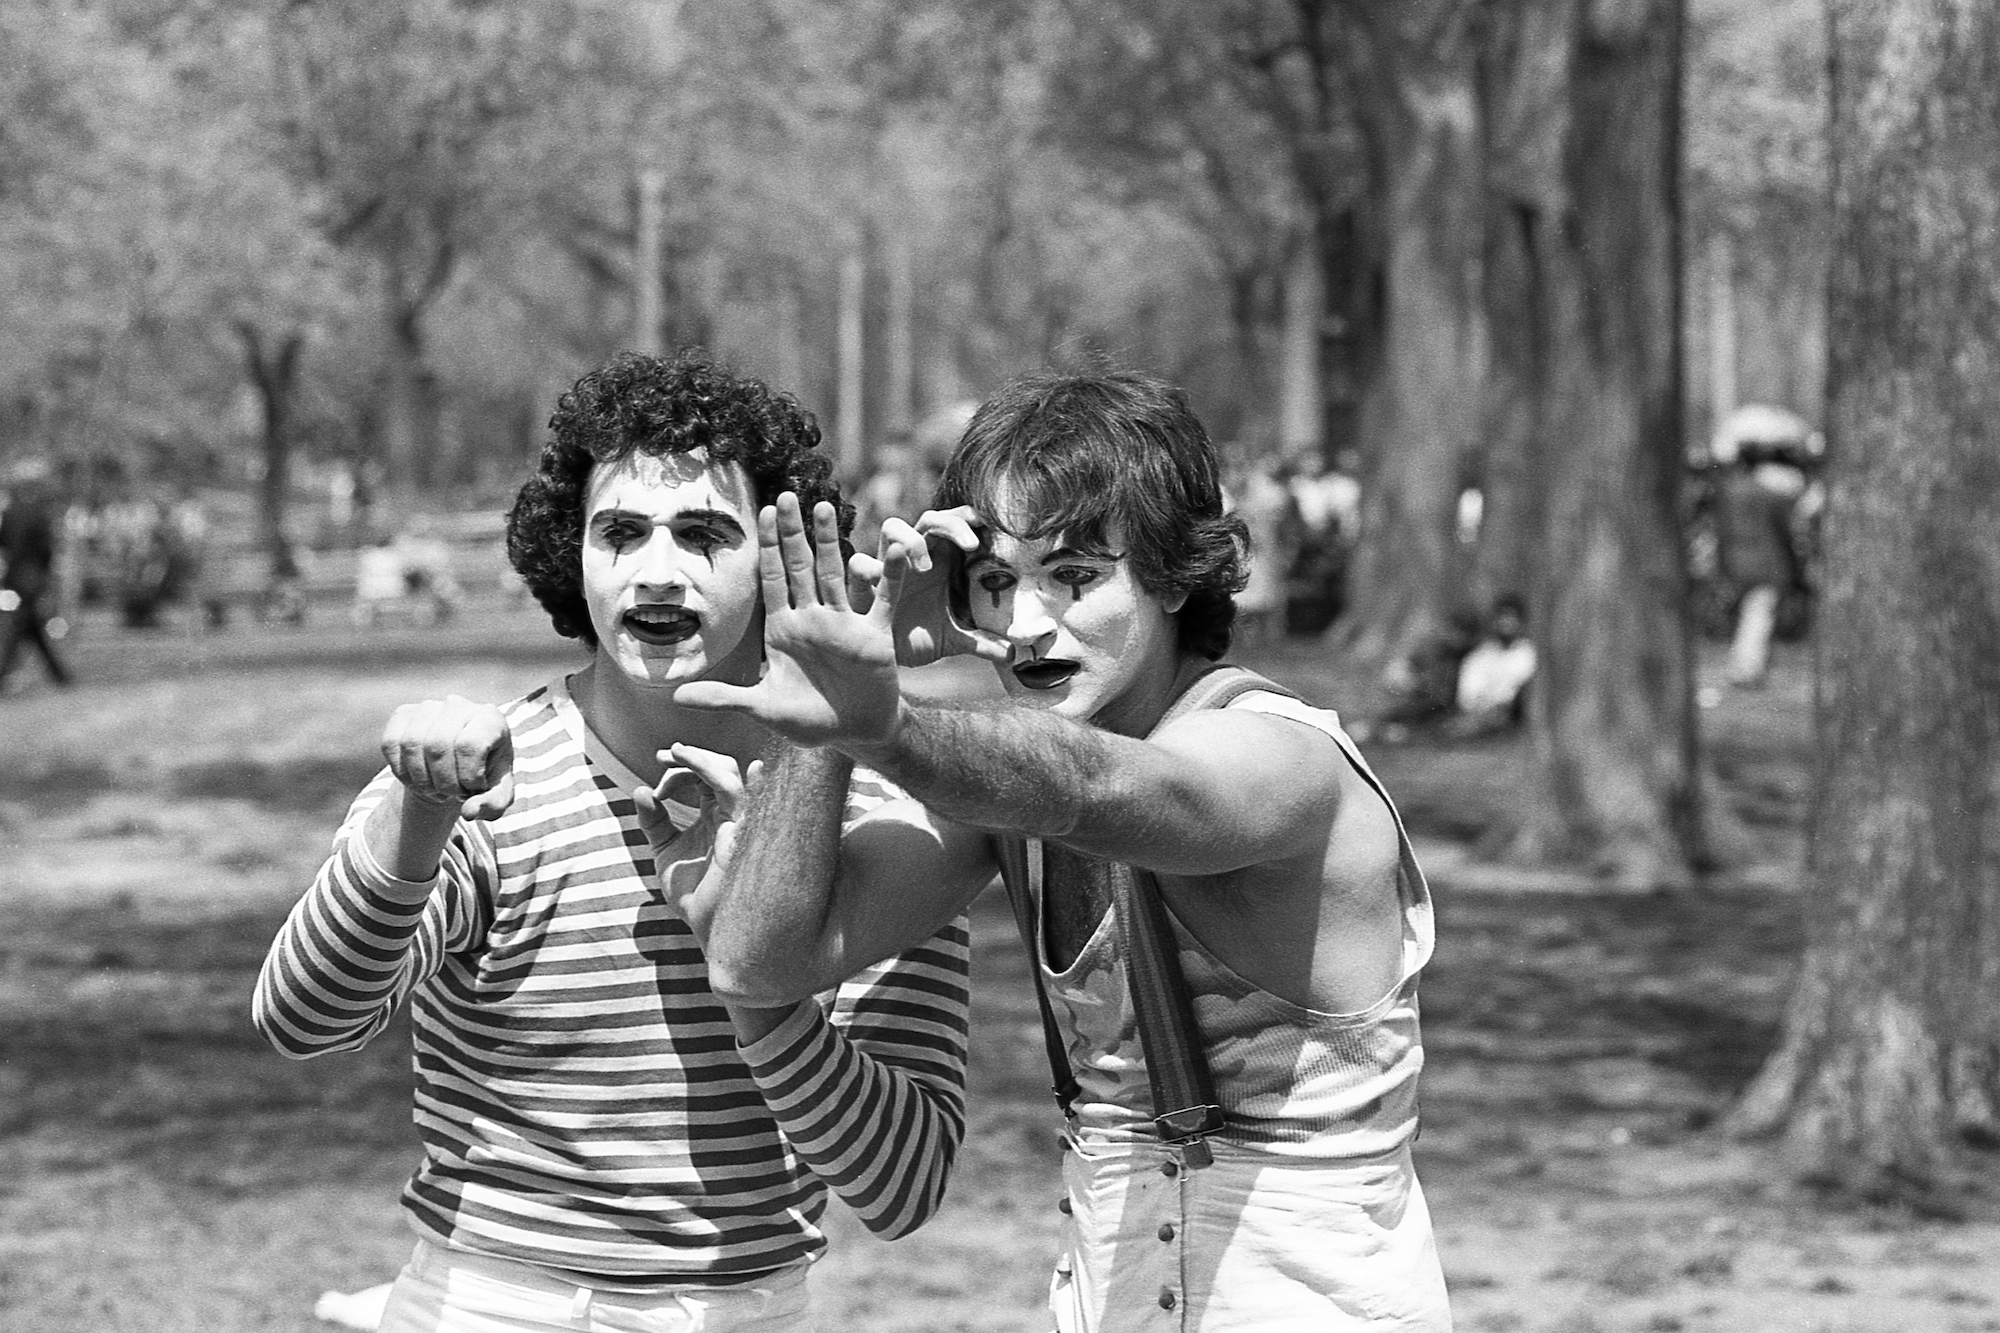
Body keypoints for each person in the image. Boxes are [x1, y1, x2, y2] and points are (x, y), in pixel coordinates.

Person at [675, 370, 1452, 1331]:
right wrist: (823, 718)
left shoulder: (1282, 758)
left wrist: (887, 726)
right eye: (998, 582)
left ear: (1171, 573)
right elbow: (758, 960)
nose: (1029, 622)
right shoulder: (1000, 790)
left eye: (1074, 576)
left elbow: (1101, 789)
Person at [253, 350, 972, 1333]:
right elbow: (302, 1020)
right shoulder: (477, 780)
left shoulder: (868, 814)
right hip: (488, 1303)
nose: (656, 569)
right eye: (621, 531)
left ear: (777, 564)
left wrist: (755, 970)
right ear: (571, 553)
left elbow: (902, 1185)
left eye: (703, 533)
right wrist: (417, 819)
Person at [0, 461, 75, 693]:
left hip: (15, 575)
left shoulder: (10, 511)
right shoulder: (39, 514)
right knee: (23, 624)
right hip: (32, 576)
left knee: (27, 624)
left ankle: (60, 675)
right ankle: (57, 675)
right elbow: (46, 550)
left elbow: (4, 543)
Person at [1443, 594, 1536, 738]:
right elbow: (1468, 696)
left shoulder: (1530, 654)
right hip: (1483, 712)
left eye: (1512, 618)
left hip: (1515, 712)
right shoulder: (1480, 656)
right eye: (1502, 618)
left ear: (1521, 622)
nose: (1506, 623)